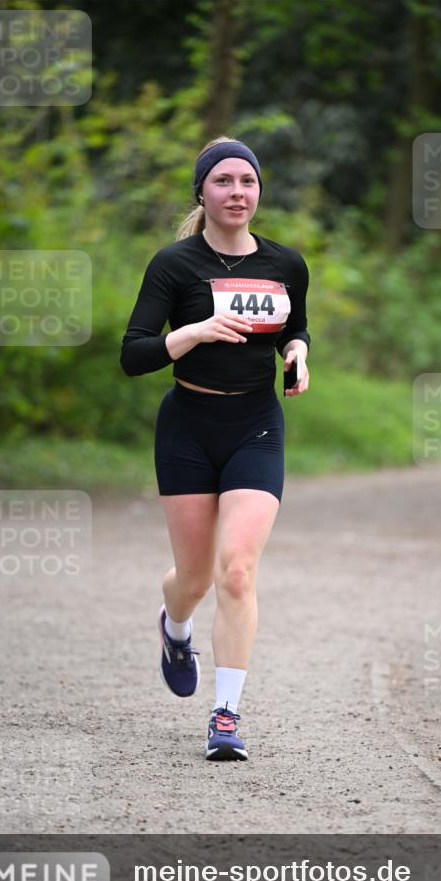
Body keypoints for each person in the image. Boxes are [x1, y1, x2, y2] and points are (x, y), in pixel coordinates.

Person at [120, 136, 311, 761]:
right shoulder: (174, 265)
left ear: (259, 190)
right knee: (195, 577)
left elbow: (294, 327)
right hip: (188, 429)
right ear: (201, 192)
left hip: (256, 425)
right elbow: (133, 354)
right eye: (223, 181)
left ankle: (225, 716)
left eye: (247, 181)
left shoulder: (286, 264)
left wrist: (297, 352)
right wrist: (196, 331)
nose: (237, 193)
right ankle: (175, 629)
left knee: (236, 570)